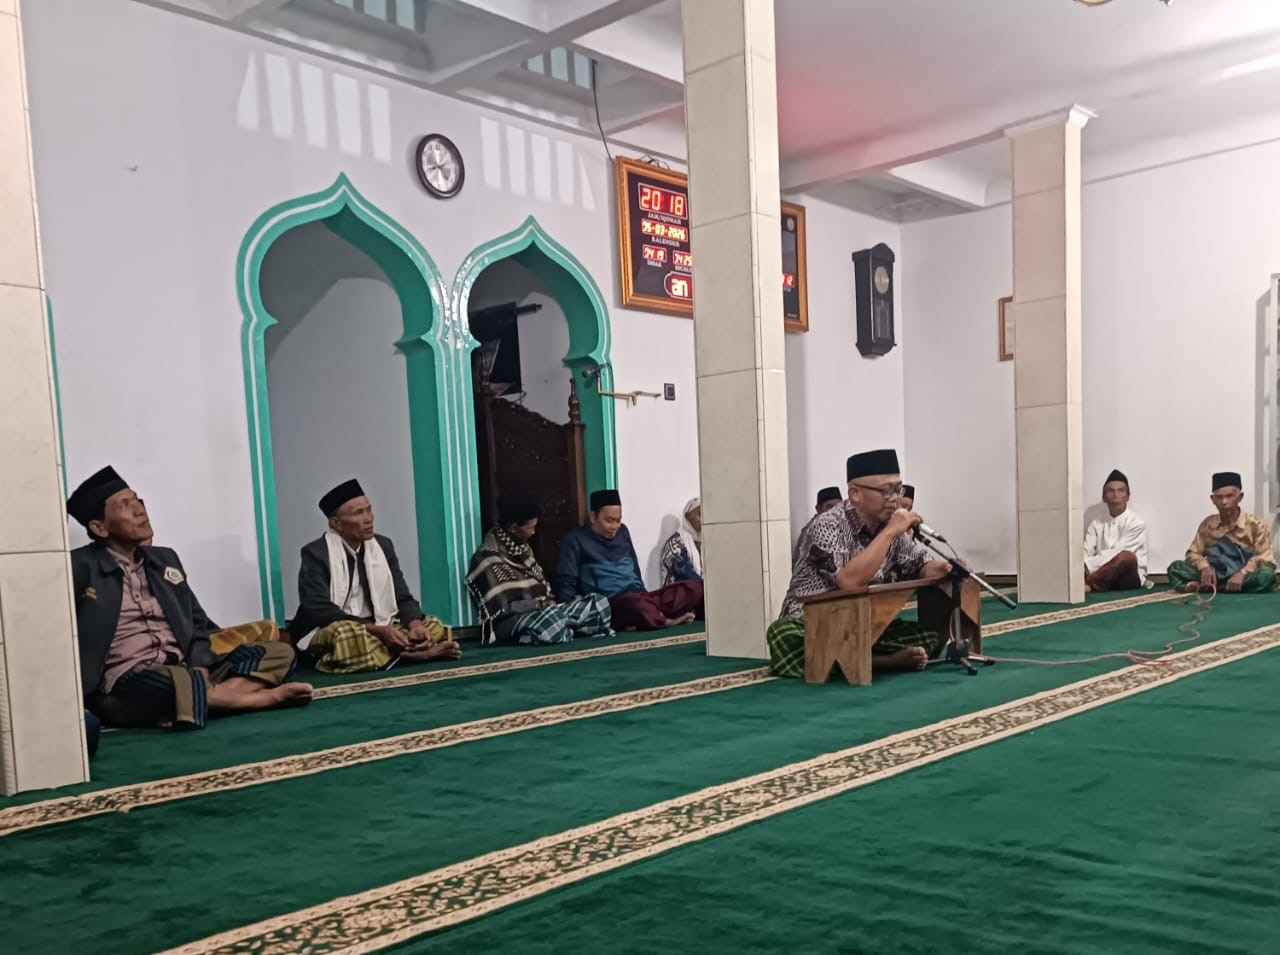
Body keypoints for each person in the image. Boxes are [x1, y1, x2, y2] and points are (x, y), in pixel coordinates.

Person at [67, 466, 311, 729]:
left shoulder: (165, 559)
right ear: (99, 528)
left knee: (280, 653)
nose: (140, 510)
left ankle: (203, 701)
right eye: (125, 505)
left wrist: (201, 666)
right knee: (175, 682)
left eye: (138, 500)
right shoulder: (79, 567)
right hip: (129, 678)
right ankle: (258, 699)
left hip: (183, 666)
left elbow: (196, 624)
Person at [766, 449, 952, 679]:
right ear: (855, 494)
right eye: (886, 491)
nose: (894, 498)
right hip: (815, 624)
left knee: (927, 636)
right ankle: (879, 662)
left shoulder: (889, 527)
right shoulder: (827, 525)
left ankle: (857, 657)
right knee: (782, 634)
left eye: (898, 489)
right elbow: (850, 582)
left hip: (864, 625)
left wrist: (947, 568)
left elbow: (920, 565)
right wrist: (890, 532)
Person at [291, 479, 461, 671]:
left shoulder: (383, 546)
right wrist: (376, 630)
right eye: (358, 513)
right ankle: (416, 655)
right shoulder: (316, 553)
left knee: (432, 624)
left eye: (369, 510)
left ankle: (390, 654)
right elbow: (319, 609)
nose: (368, 518)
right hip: (334, 628)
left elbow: (402, 597)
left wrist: (415, 625)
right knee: (348, 636)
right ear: (336, 523)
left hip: (379, 625)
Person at [466, 491, 614, 644]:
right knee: (551, 622)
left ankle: (563, 628)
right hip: (512, 622)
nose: (533, 532)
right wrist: (540, 605)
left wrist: (548, 606)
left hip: (545, 613)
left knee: (599, 603)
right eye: (530, 528)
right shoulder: (487, 558)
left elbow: (544, 592)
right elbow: (503, 609)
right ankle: (562, 628)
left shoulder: (524, 550)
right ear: (513, 528)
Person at [557, 489, 704, 630]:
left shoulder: (623, 532)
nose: (615, 526)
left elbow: (634, 571)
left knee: (695, 587)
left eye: (618, 520)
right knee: (634, 605)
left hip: (638, 597)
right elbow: (567, 583)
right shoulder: (575, 540)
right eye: (609, 520)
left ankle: (653, 613)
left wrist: (649, 598)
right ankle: (664, 620)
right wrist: (572, 615)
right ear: (593, 517)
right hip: (610, 605)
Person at [1167, 471, 1276, 593]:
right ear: (1213, 499)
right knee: (1175, 568)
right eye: (1219, 497)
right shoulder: (1208, 524)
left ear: (1240, 497)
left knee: (1266, 575)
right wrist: (1204, 567)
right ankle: (1219, 586)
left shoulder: (1256, 524)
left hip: (1244, 575)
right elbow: (1193, 553)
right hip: (1215, 575)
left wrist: (1243, 572)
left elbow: (1265, 557)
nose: (1224, 502)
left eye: (1230, 496)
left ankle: (1209, 587)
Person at [1082, 469, 1148, 592]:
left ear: (1127, 496)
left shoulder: (1136, 522)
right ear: (1104, 497)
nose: (1115, 495)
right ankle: (1091, 582)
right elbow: (1086, 550)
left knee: (1127, 557)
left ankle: (1090, 583)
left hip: (1127, 578)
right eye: (1111, 491)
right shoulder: (1096, 523)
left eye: (1121, 490)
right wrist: (1080, 566)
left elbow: (1117, 552)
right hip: (1102, 573)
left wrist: (1086, 565)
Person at [792, 486, 844, 564]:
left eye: (839, 507)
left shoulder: (838, 525)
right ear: (818, 509)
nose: (835, 511)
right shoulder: (814, 528)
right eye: (830, 507)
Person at [659, 497, 702, 586]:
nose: (704, 519)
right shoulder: (676, 544)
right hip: (678, 593)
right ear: (687, 516)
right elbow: (687, 577)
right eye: (700, 514)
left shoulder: (703, 542)